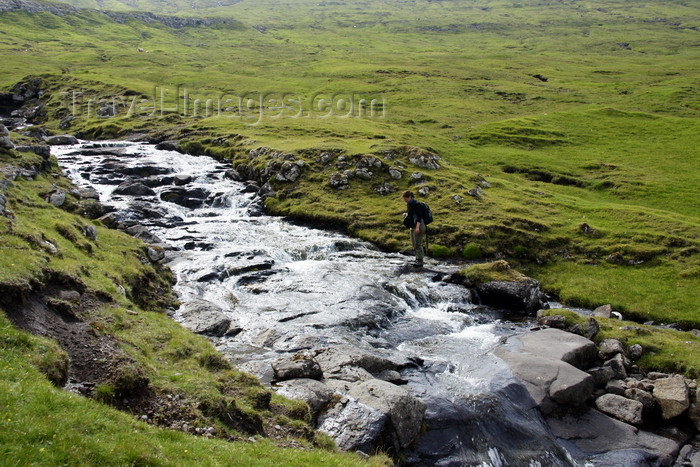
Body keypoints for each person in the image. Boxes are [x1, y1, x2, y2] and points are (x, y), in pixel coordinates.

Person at [402, 190, 426, 268]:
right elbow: (412, 215)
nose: (405, 200)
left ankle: (420, 261)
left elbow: (419, 217)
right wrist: (406, 214)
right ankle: (417, 258)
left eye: (406, 199)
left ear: (410, 197)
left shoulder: (417, 204)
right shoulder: (409, 204)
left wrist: (417, 227)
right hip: (412, 226)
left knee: (418, 244)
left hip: (419, 226)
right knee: (414, 244)